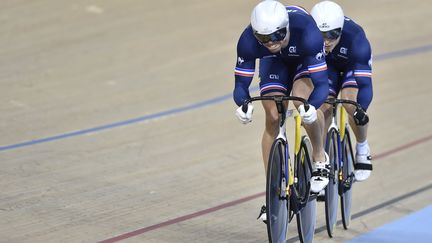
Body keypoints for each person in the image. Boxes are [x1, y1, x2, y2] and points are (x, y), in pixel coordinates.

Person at [233, 0, 330, 196]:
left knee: (300, 100)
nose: (271, 42)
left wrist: (312, 106)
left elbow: (321, 84)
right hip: (274, 62)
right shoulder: (248, 40)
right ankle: (273, 189)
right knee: (273, 116)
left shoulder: (308, 33)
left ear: (286, 28)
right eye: (264, 38)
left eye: (277, 35)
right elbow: (241, 85)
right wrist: (243, 104)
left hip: (303, 59)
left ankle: (319, 157)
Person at [311, 1, 373, 181]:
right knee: (322, 107)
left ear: (341, 29)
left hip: (351, 66)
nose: (326, 41)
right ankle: (321, 163)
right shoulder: (310, 39)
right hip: (326, 66)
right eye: (321, 36)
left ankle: (362, 147)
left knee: (349, 101)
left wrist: (361, 109)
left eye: (332, 35)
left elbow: (365, 85)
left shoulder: (356, 37)